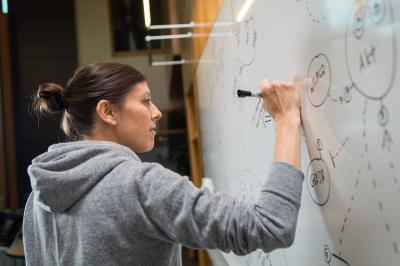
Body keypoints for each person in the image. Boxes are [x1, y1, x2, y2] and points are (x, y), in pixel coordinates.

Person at [23, 62, 303, 265]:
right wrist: (288, 120)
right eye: (145, 101)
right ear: (107, 111)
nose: (157, 113)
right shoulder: (141, 186)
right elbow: (271, 226)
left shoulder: (38, 198)